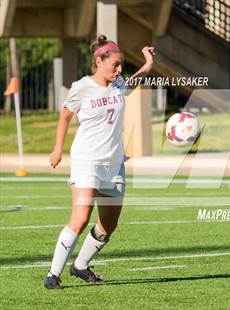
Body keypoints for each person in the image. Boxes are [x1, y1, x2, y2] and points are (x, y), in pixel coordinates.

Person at [43, 35, 154, 289]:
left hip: (114, 164)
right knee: (81, 218)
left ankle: (80, 266)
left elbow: (132, 83)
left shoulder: (117, 85)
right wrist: (57, 150)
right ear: (99, 61)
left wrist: (147, 66)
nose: (119, 69)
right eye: (114, 64)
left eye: (121, 65)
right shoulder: (82, 86)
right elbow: (64, 117)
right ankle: (52, 274)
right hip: (87, 161)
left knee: (108, 226)